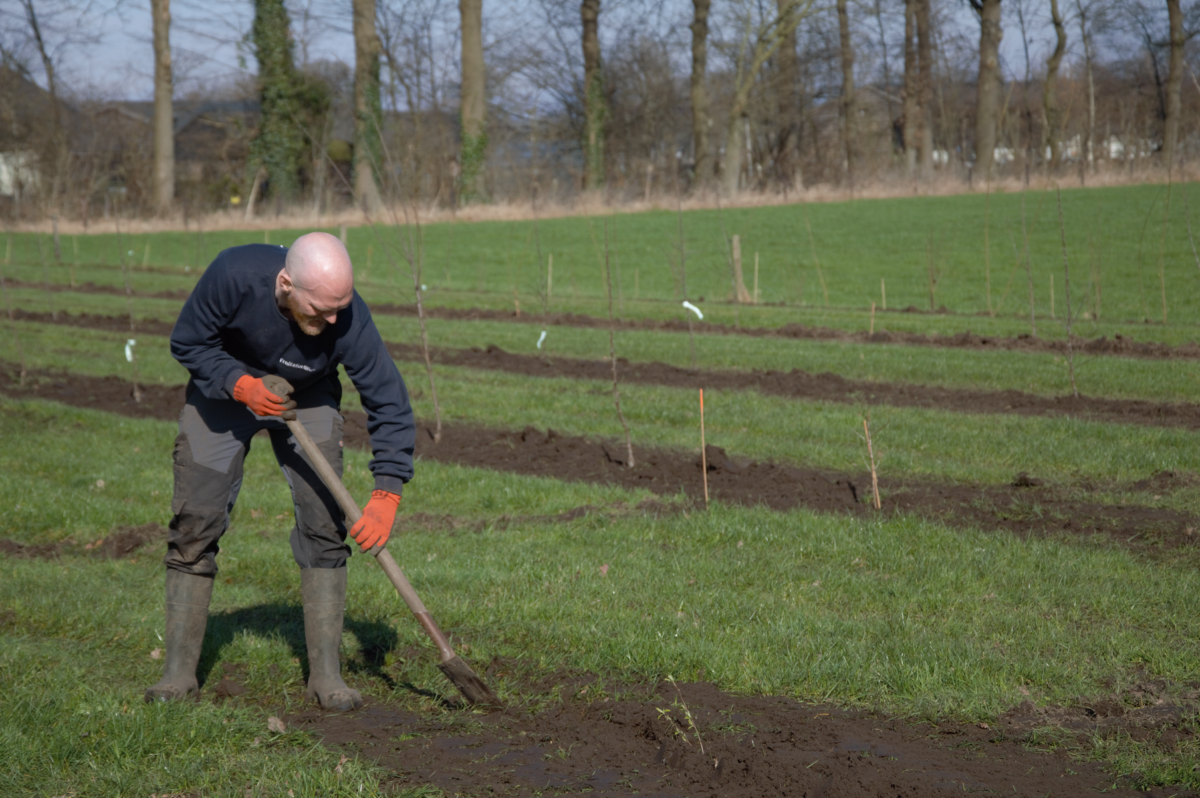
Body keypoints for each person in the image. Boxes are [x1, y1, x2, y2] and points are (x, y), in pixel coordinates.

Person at [145, 232, 415, 711]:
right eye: (321, 309)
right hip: (223, 395)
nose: (333, 319)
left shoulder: (347, 315)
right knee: (195, 522)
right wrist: (238, 383)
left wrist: (387, 490)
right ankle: (178, 675)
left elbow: (387, 398)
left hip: (308, 397)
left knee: (325, 526)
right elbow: (188, 341)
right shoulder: (233, 275)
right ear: (286, 283)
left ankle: (326, 677)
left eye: (341, 307)